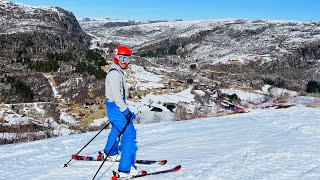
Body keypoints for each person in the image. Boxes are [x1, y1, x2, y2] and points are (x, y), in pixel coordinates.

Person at [103, 45, 144, 178]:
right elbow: (116, 96)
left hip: (114, 107)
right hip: (116, 107)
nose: (125, 62)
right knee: (130, 134)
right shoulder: (115, 74)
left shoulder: (117, 71)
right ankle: (126, 169)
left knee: (116, 129)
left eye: (128, 59)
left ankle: (110, 153)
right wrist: (125, 111)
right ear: (116, 58)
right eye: (122, 58)